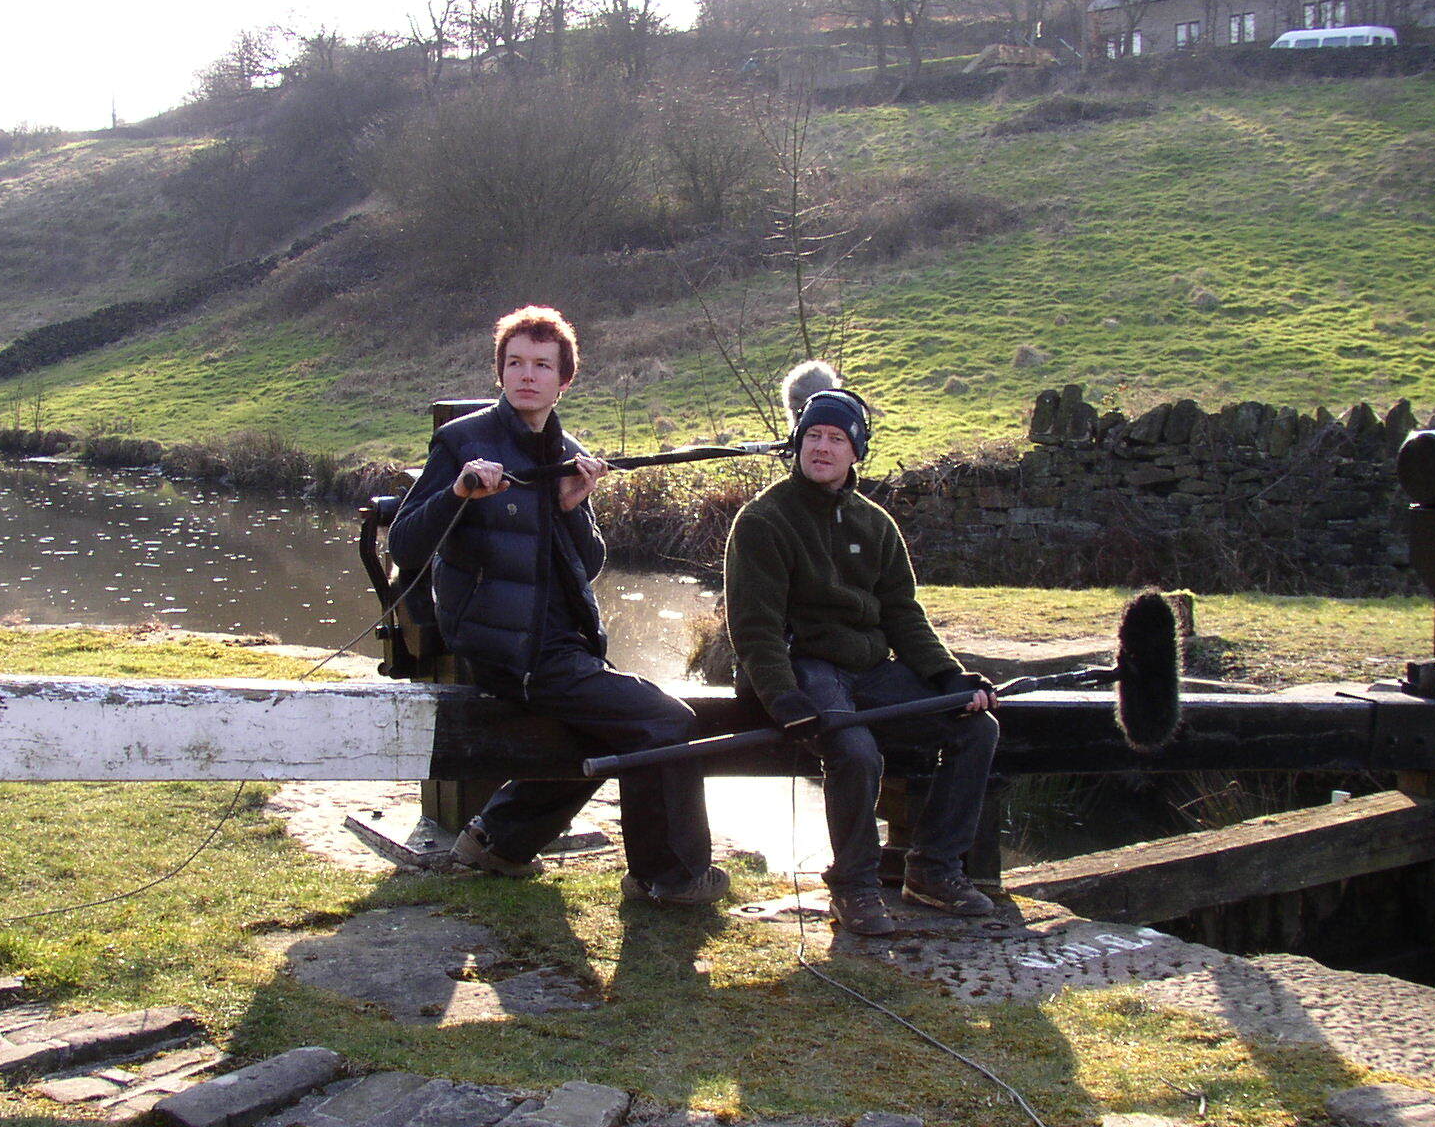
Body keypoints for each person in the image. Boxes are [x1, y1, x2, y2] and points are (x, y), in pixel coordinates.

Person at [388, 305, 727, 906]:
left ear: (563, 380)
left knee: (606, 729)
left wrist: (573, 508)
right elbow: (406, 544)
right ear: (500, 372)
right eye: (515, 362)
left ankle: (499, 840)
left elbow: (587, 568)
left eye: (543, 365)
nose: (527, 375)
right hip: (502, 646)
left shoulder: (567, 451)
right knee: (666, 722)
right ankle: (671, 879)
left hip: (555, 642)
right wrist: (459, 491)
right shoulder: (462, 442)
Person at [722, 362, 998, 936]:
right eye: (813, 436)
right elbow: (755, 628)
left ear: (856, 453)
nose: (822, 448)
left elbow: (903, 614)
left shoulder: (876, 525)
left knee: (976, 729)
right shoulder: (762, 520)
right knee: (856, 750)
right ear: (798, 442)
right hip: (807, 667)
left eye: (837, 439)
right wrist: (783, 699)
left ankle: (933, 868)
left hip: (870, 667)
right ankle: (853, 886)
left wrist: (949, 680)